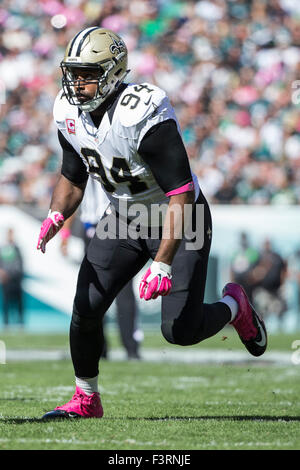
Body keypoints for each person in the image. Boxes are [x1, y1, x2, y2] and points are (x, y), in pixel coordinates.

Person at [36, 27, 267, 420]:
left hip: (180, 216)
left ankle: (234, 306)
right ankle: (86, 399)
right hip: (124, 215)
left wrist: (161, 262)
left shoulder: (142, 111)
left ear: (112, 72)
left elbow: (180, 193)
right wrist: (58, 213)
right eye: (73, 72)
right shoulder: (68, 111)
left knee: (179, 330)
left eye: (87, 73)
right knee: (85, 308)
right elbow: (73, 175)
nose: (76, 82)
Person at [60, 176, 142, 360]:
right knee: (94, 291)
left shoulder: (110, 153)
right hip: (92, 228)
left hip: (118, 223)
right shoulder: (83, 154)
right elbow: (73, 191)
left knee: (124, 291)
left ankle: (131, 347)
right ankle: (99, 347)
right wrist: (65, 231)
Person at [250, 239, 287, 326]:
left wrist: (283, 285)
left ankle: (280, 328)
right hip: (263, 290)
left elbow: (283, 271)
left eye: (268, 243)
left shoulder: (277, 256)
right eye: (265, 244)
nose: (267, 245)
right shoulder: (259, 256)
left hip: (276, 290)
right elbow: (252, 275)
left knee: (279, 310)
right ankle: (262, 328)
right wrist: (261, 271)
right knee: (262, 311)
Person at [0, 228, 24, 327]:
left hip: (16, 279)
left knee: (19, 302)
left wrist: (17, 274)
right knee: (6, 301)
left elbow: (20, 263)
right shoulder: (3, 248)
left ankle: (20, 322)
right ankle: (6, 322)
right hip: (6, 280)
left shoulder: (17, 248)